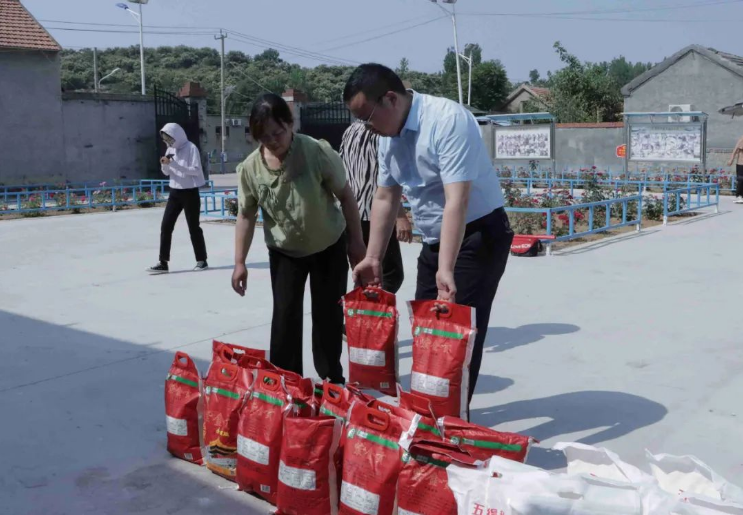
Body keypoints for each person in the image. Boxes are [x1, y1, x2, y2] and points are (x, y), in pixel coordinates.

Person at [344, 64, 514, 404]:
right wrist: (373, 257)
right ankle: (429, 415)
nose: (366, 127)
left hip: (478, 235)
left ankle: (449, 420)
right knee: (427, 333)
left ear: (391, 99)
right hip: (437, 240)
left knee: (454, 339)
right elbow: (385, 196)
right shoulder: (387, 138)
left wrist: (445, 269)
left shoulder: (447, 120)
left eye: (368, 117)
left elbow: (456, 201)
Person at [231, 93, 365, 383]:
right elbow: (246, 215)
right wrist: (239, 262)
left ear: (290, 124)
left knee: (328, 315)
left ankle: (331, 379)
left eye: (278, 132)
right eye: (264, 137)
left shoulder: (315, 151)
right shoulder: (251, 168)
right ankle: (287, 383)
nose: (273, 141)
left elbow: (346, 196)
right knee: (285, 318)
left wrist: (356, 243)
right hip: (285, 252)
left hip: (328, 245)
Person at [339, 120, 412, 294]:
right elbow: (385, 179)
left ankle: (362, 306)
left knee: (367, 273)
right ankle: (369, 309)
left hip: (352, 211)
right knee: (390, 274)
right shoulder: (380, 133)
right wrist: (400, 216)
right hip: (375, 213)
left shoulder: (350, 130)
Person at [148, 123, 208, 274]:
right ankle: (163, 262)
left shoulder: (191, 148)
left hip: (190, 192)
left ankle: (202, 260)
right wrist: (165, 165)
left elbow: (196, 170)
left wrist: (174, 164)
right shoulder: (170, 149)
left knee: (193, 227)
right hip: (175, 192)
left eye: (170, 139)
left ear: (177, 136)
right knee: (166, 226)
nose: (168, 142)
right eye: (166, 139)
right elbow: (167, 173)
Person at [727, 135, 743, 204]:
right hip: (741, 163)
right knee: (741, 180)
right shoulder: (742, 139)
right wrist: (731, 159)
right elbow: (735, 150)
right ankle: (739, 196)